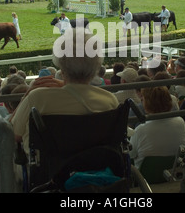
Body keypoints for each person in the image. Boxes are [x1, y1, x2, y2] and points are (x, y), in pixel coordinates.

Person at [10, 28, 119, 156]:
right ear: (96, 68)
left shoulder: (37, 98)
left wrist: (26, 96)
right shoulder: (110, 100)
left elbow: (12, 135)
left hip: (52, 173)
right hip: (100, 169)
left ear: (62, 68)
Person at [129, 86, 185, 170]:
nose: (142, 100)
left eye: (143, 98)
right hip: (174, 172)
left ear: (147, 103)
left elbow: (131, 155)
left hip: (145, 178)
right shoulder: (180, 121)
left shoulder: (141, 129)